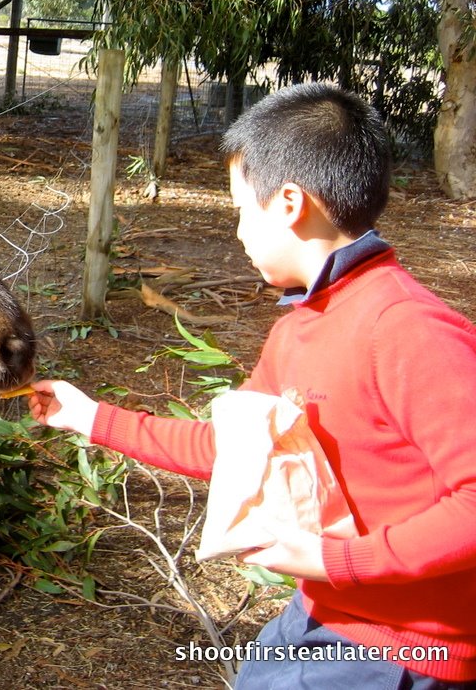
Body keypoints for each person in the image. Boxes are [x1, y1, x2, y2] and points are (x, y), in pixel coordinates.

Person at [29, 83, 476, 688]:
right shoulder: (302, 327)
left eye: (241, 208)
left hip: (403, 650)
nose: (237, 232)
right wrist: (87, 417)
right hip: (322, 610)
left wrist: (332, 560)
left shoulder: (403, 329)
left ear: (291, 202)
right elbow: (229, 449)